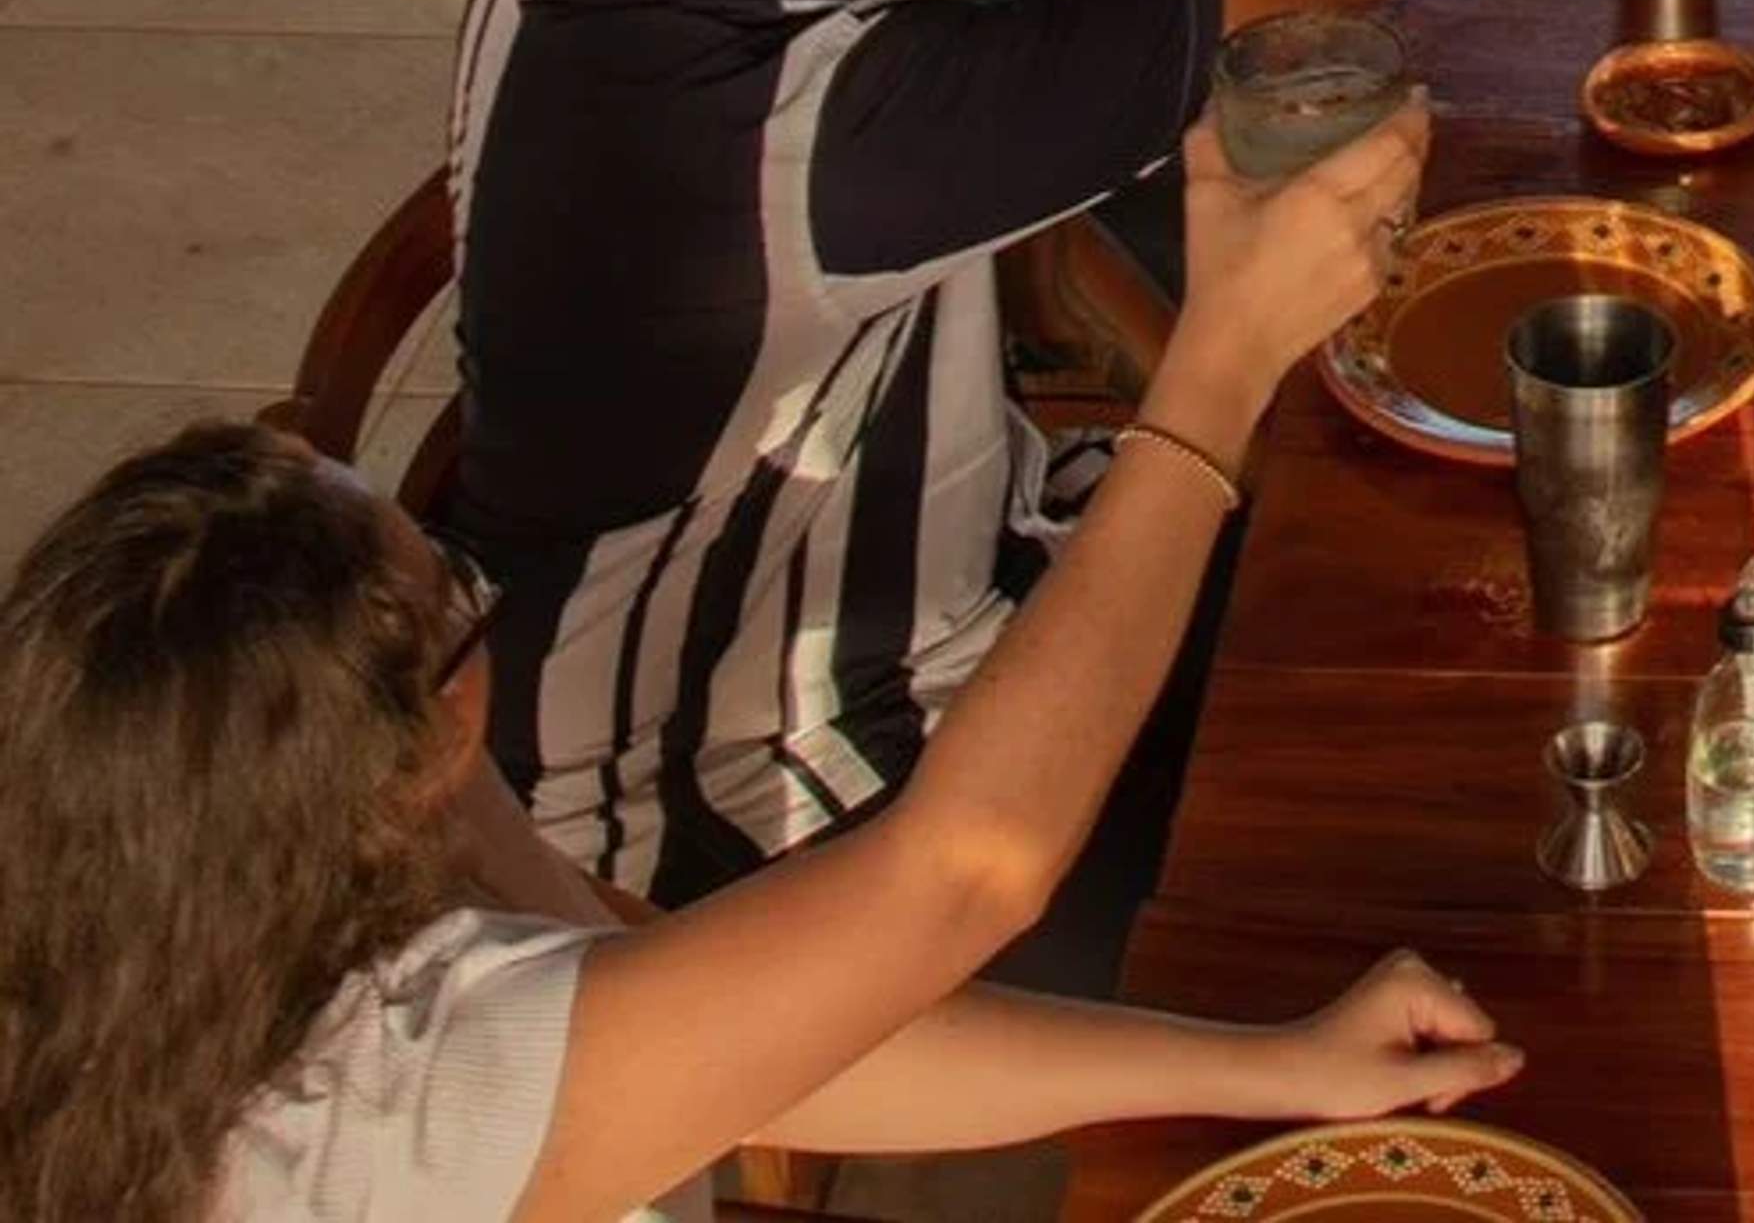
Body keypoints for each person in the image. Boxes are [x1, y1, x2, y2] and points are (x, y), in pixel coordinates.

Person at [434, 0, 1754, 934]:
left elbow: (1012, 225)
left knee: (1399, 542)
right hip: (771, 796)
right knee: (1442, 805)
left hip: (855, 590)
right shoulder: (825, 125)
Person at [0, 133, 1529, 1223]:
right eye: (459, 590)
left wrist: (1269, 1069)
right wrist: (1215, 375)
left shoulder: (161, 930)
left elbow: (757, 1047)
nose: (489, 596)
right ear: (396, 754)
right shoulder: (400, 1105)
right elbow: (966, 874)